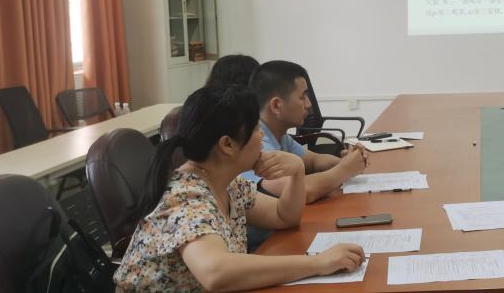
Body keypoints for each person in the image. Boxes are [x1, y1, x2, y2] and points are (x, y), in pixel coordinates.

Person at [114, 85, 365, 292]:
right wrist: (318, 263)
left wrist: (297, 173)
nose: (262, 137)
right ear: (227, 145)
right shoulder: (186, 198)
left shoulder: (227, 183)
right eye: (256, 129)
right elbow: (216, 273)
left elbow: (284, 216)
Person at [243, 60, 368, 203]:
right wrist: (345, 169)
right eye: (302, 97)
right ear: (276, 105)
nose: (308, 104)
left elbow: (314, 161)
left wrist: (345, 162)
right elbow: (303, 191)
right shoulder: (256, 144)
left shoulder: (280, 135)